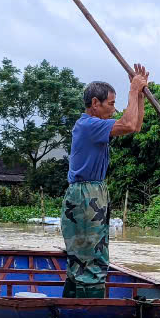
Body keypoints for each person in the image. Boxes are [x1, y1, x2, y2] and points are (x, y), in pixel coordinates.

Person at [62, 64, 151, 297]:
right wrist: (132, 91)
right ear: (95, 103)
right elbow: (129, 123)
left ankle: (74, 306)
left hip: (95, 191)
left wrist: (140, 96)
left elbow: (136, 126)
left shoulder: (95, 125)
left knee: (92, 256)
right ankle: (88, 313)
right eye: (111, 104)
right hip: (85, 195)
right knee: (90, 261)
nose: (114, 110)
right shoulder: (88, 125)